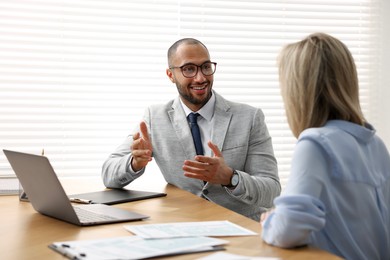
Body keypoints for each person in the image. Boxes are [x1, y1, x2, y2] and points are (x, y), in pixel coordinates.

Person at [102, 38, 281, 221]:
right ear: (170, 75)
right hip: (184, 228)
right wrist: (135, 163)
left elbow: (272, 191)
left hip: (242, 229)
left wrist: (230, 177)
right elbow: (108, 174)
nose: (201, 77)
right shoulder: (155, 118)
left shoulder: (250, 117)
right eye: (189, 69)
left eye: (205, 66)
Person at [261, 32, 390, 260]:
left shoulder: (315, 143)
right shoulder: (376, 144)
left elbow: (287, 230)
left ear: (297, 92)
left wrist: (271, 219)